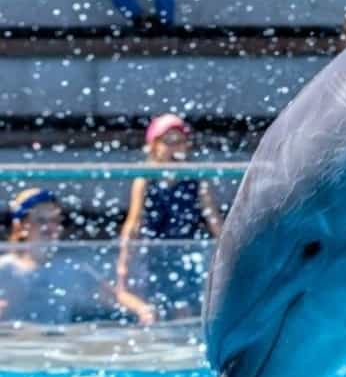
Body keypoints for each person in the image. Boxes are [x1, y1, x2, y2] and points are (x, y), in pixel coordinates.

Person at [115, 114, 223, 320]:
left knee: (185, 310)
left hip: (186, 254)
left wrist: (229, 249)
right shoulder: (145, 179)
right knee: (152, 309)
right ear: (154, 146)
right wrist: (123, 263)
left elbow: (214, 220)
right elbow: (133, 223)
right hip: (153, 256)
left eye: (181, 142)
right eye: (169, 141)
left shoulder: (196, 179)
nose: (176, 148)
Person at [1, 188, 153, 325]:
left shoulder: (70, 269)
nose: (50, 227)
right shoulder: (5, 268)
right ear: (21, 226)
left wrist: (142, 310)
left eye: (55, 220)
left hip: (53, 345)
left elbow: (116, 297)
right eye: (41, 221)